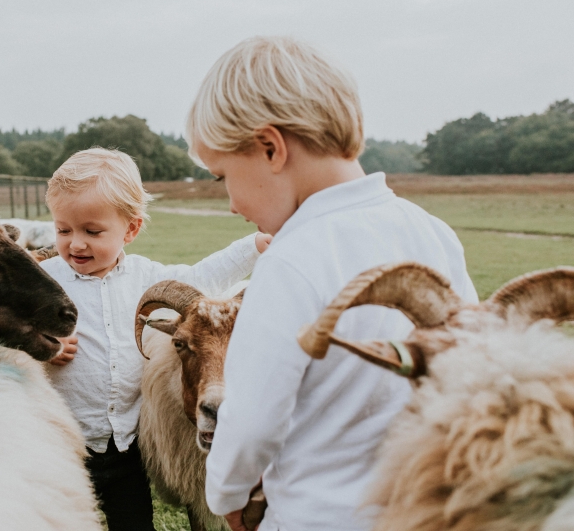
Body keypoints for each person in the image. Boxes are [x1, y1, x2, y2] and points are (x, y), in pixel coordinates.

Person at [187, 37, 478, 531]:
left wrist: (227, 494)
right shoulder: (431, 231)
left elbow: (252, 418)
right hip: (427, 507)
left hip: (318, 516)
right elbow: (471, 365)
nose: (232, 204)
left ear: (270, 148)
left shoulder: (290, 260)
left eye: (222, 178)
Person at [40, 147, 271, 531]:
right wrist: (42, 345)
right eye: (63, 230)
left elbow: (204, 276)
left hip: (127, 446)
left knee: (134, 523)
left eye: (92, 232)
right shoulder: (45, 281)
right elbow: (5, 325)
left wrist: (254, 246)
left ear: (130, 229)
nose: (75, 244)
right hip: (63, 444)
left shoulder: (146, 277)